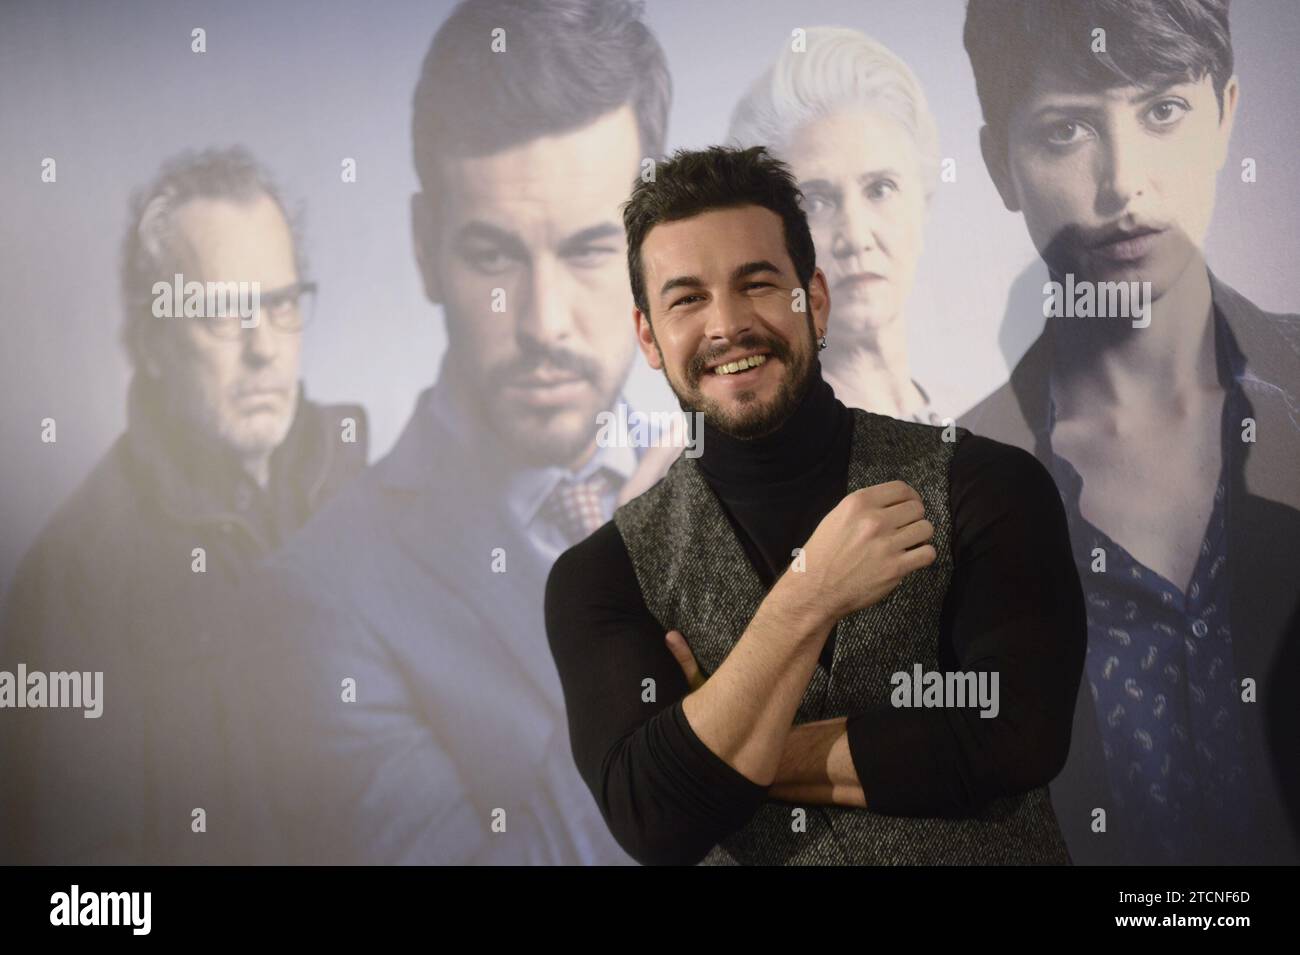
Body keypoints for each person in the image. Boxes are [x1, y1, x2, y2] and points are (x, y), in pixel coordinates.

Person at [545, 144, 1087, 865]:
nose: (726, 324)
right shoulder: (602, 574)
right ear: (648, 335)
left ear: (816, 299)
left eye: (758, 283)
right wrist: (810, 595)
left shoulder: (985, 484)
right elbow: (653, 815)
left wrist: (720, 746)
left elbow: (1016, 735)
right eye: (687, 298)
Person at [223, 0, 673, 864]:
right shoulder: (314, 604)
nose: (545, 323)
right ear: (426, 247)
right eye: (495, 255)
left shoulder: (748, 475)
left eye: (588, 250)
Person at [961, 0, 1300, 864]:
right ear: (1000, 165)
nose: (1124, 185)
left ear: (1225, 115)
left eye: (1162, 111)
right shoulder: (949, 495)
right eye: (1067, 130)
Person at [0, 146, 367, 864]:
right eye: (223, 313)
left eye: (281, 304)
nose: (263, 348)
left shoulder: (364, 477)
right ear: (155, 338)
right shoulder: (72, 581)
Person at [728, 26, 944, 424]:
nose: (856, 237)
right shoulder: (748, 434)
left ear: (923, 204)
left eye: (880, 189)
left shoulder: (969, 423)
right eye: (817, 201)